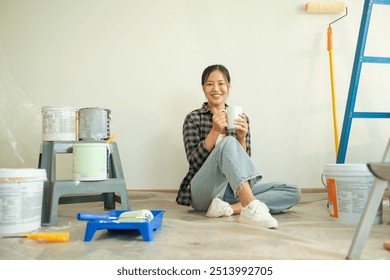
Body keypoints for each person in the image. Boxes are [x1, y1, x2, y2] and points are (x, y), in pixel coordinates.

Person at [176, 64, 301, 229]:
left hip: (232, 192)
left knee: (292, 191)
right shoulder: (193, 118)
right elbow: (194, 163)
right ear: (203, 88)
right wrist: (214, 132)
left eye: (221, 83)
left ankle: (229, 209)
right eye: (209, 84)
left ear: (229, 86)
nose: (216, 89)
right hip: (203, 192)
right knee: (228, 142)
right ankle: (250, 207)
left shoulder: (241, 118)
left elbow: (244, 169)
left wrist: (242, 138)